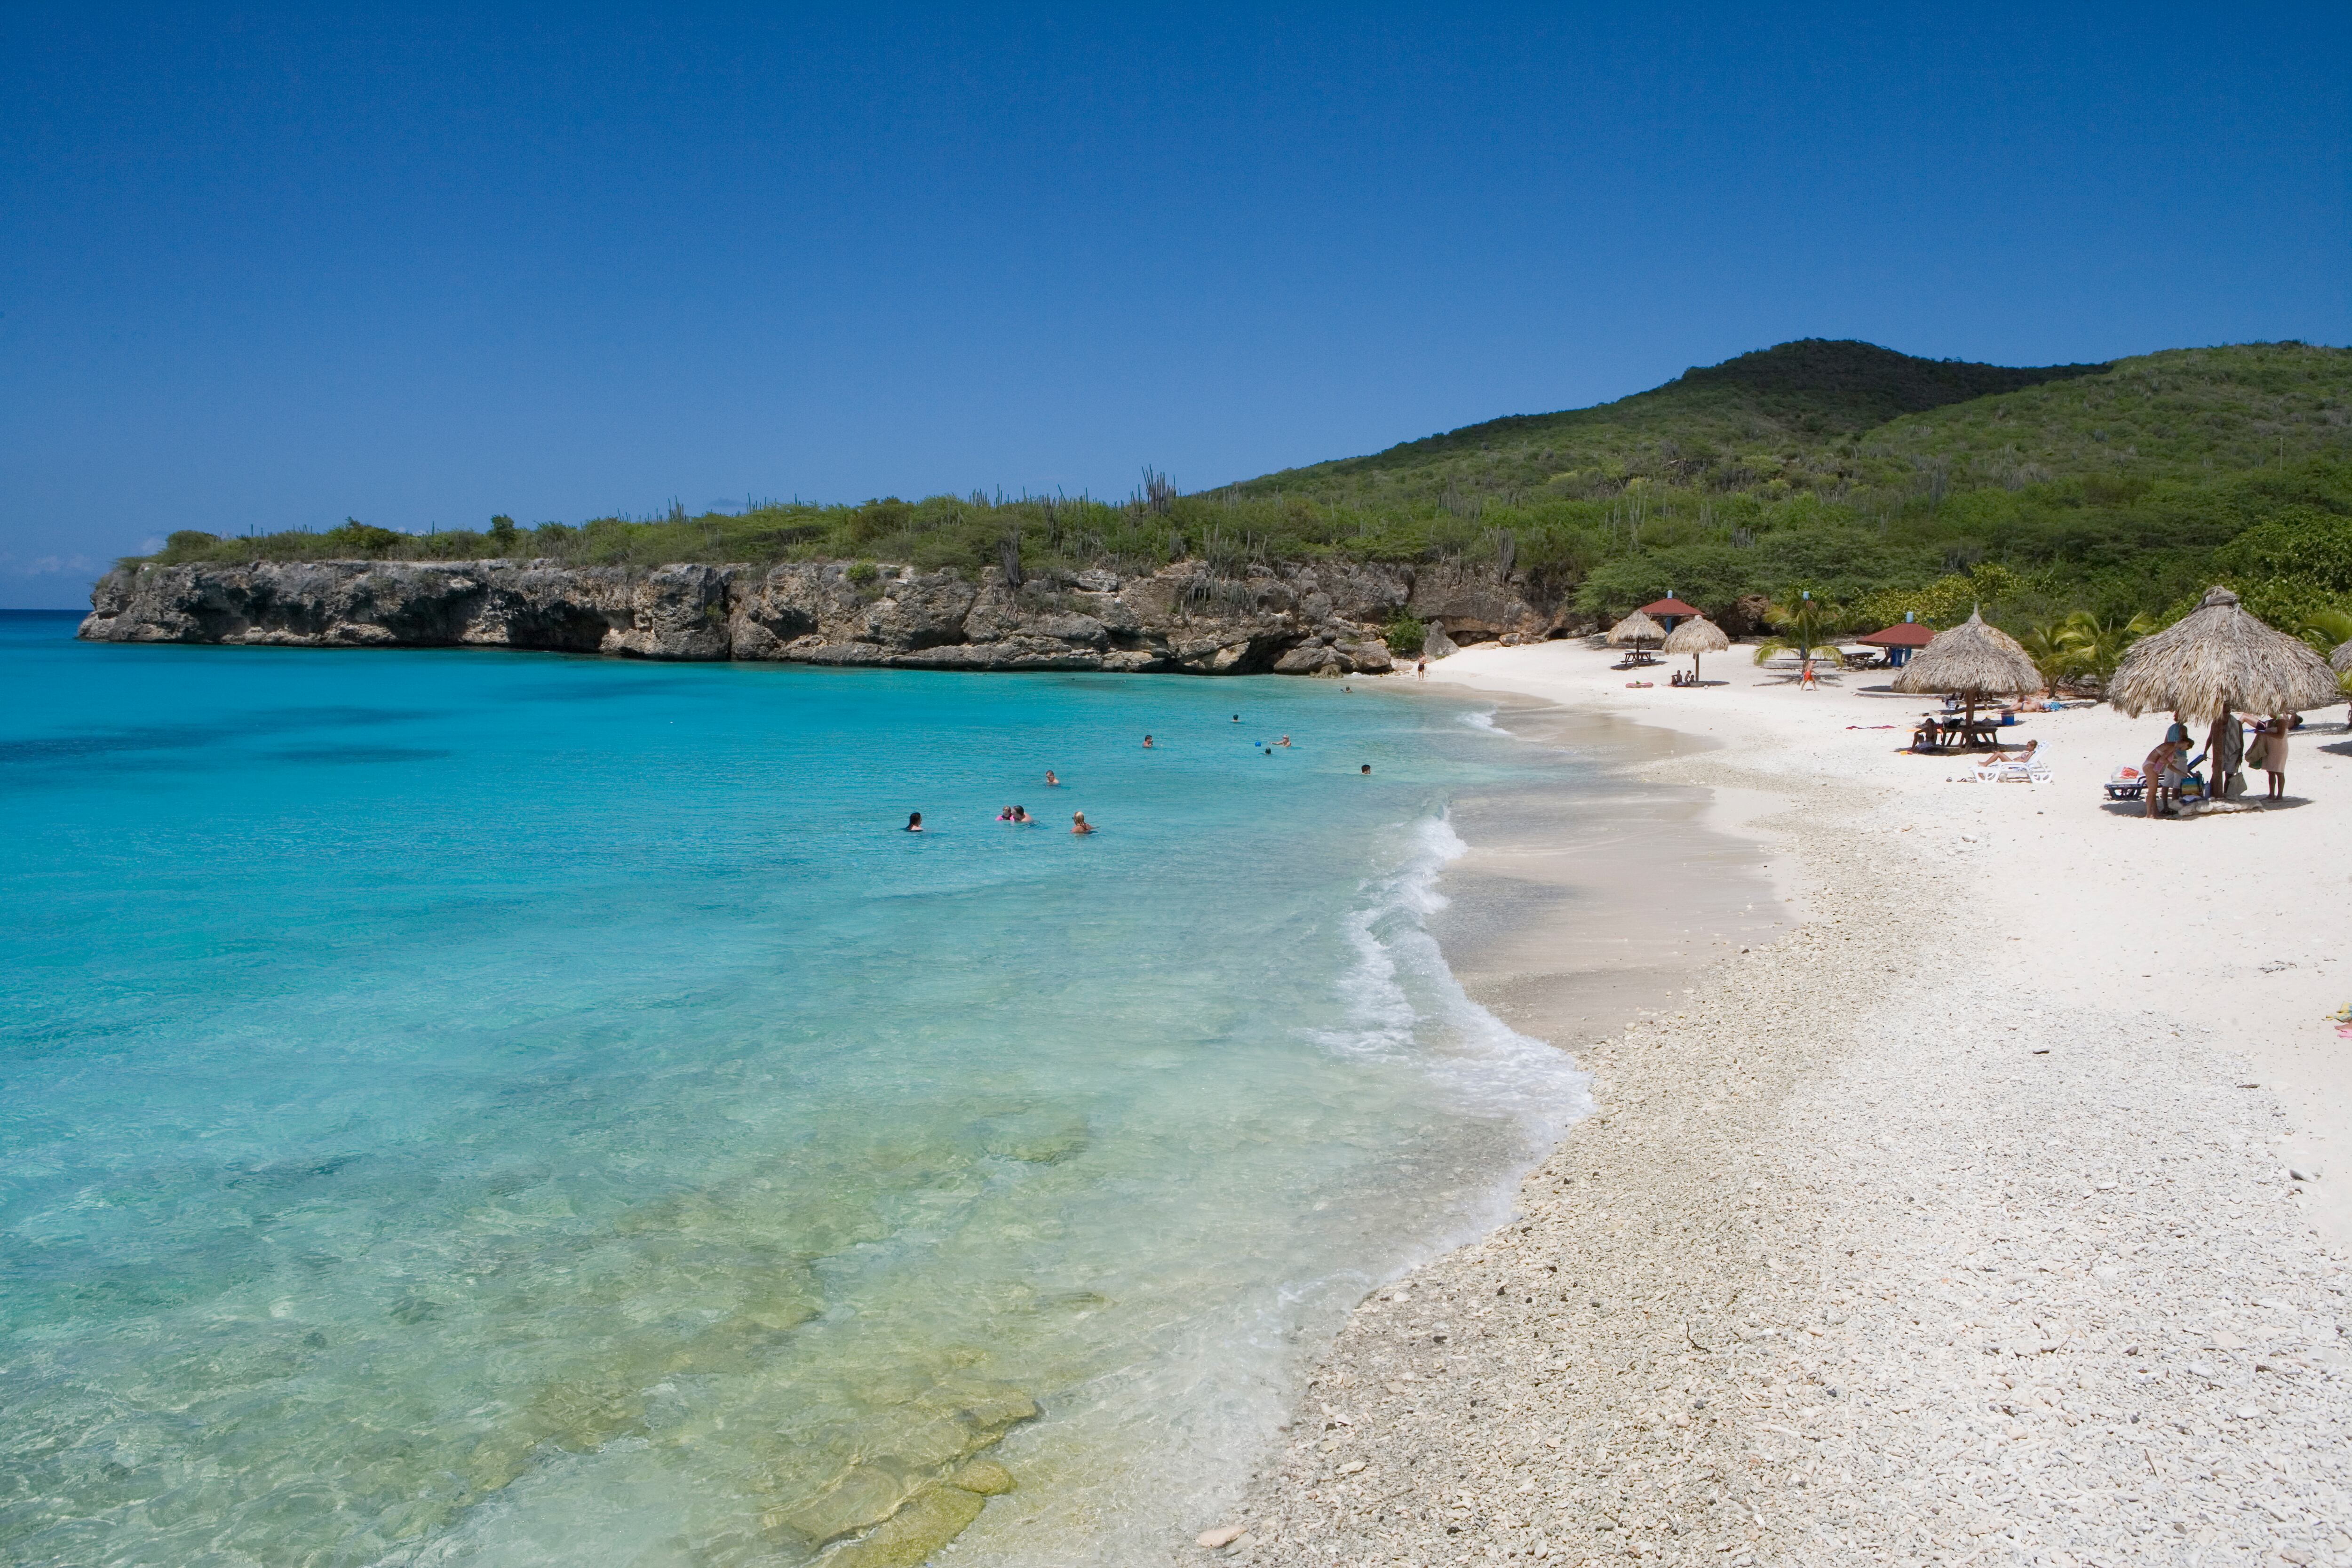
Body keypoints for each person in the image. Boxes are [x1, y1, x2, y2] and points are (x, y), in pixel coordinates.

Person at [2143, 731, 2189, 819]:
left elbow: (2170, 766)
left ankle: (2155, 812)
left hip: (2151, 766)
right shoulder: (2172, 747)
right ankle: (2149, 814)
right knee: (2152, 791)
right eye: (2187, 747)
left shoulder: (2173, 747)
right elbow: (2162, 760)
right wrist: (2171, 762)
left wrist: (2183, 774)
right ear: (2185, 743)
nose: (2186, 749)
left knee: (2153, 791)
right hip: (2150, 766)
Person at [2249, 716, 2290, 802]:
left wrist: (2264, 734)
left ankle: (2280, 795)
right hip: (2270, 748)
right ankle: (2271, 794)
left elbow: (2280, 735)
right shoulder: (2270, 722)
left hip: (2280, 749)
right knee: (2270, 771)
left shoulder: (2282, 721)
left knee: (2279, 771)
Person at [2206, 711, 2245, 802]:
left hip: (2233, 752)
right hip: (2220, 752)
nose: (2226, 714)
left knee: (2229, 775)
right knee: (2216, 773)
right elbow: (2210, 737)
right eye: (2224, 712)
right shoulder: (2216, 723)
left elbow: (2240, 739)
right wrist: (2205, 751)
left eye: (2227, 712)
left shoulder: (2237, 723)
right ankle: (2212, 793)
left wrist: (2241, 754)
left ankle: (2226, 793)